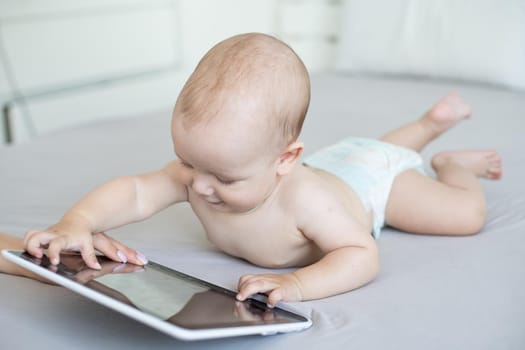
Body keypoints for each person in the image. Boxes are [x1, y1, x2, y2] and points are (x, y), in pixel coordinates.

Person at [20, 33, 502, 307]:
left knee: (461, 215)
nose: (199, 185)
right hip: (340, 161)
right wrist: (77, 223)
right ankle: (426, 124)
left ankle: (450, 162)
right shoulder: (205, 170)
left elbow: (360, 253)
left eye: (225, 179)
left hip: (370, 186)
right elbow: (134, 193)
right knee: (370, 149)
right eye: (189, 162)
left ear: (284, 161)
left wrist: (297, 283)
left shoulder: (306, 200)